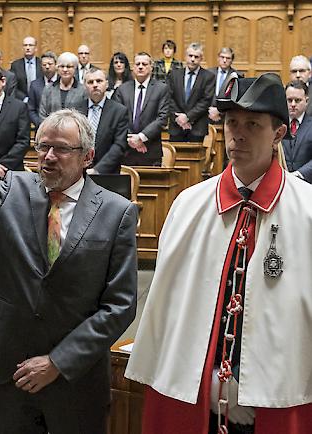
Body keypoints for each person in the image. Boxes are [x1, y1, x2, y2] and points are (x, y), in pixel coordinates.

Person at [0, 51, 138, 434]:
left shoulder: (117, 212)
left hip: (76, 378)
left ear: (88, 156)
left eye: (61, 149)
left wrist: (57, 361)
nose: (48, 158)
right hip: (10, 372)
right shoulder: (13, 188)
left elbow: (119, 306)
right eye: (43, 147)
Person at [127, 72, 312, 434]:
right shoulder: (189, 206)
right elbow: (170, 311)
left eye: (253, 124)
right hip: (198, 398)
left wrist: (259, 386)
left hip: (280, 401)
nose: (237, 134)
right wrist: (206, 380)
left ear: (279, 133)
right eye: (231, 122)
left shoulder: (307, 212)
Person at [112, 52, 169, 166]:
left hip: (150, 151)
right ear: (133, 67)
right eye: (138, 64)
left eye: (144, 64)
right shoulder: (122, 90)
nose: (141, 66)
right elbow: (117, 118)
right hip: (126, 151)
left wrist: (141, 137)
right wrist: (131, 139)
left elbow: (162, 118)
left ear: (151, 68)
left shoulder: (161, 89)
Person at [83, 67, 129, 174]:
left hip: (108, 173)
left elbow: (119, 145)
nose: (95, 85)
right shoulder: (76, 110)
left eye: (99, 81)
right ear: (85, 86)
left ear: (106, 84)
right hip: (78, 173)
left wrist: (97, 170)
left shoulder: (119, 111)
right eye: (90, 82)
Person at [167, 42, 216, 142]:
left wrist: (188, 117)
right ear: (185, 56)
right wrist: (180, 119)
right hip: (176, 126)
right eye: (190, 56)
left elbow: (205, 101)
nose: (193, 59)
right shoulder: (174, 75)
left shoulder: (208, 77)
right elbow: (168, 98)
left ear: (201, 59)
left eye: (196, 57)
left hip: (197, 128)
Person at [39, 52, 88, 120]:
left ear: (75, 68)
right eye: (62, 66)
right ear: (57, 68)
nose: (65, 70)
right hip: (51, 129)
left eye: (68, 66)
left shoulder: (83, 90)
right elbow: (42, 114)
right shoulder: (48, 89)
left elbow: (84, 115)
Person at [282, 80, 312, 182]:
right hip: (282, 184)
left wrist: (299, 174)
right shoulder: (277, 125)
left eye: (298, 100)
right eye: (289, 100)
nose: (293, 104)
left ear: (306, 101)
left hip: (307, 185)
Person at [208, 47, 240, 122]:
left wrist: (219, 111)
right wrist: (208, 110)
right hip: (208, 115)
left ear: (232, 60)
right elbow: (201, 95)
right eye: (222, 57)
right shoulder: (208, 73)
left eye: (228, 58)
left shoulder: (237, 76)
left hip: (226, 117)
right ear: (218, 58)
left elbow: (236, 100)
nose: (224, 60)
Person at [28, 51, 58, 127]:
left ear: (56, 65)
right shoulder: (34, 85)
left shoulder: (62, 82)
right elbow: (31, 109)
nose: (47, 67)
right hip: (41, 127)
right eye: (44, 64)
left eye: (50, 64)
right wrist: (40, 123)